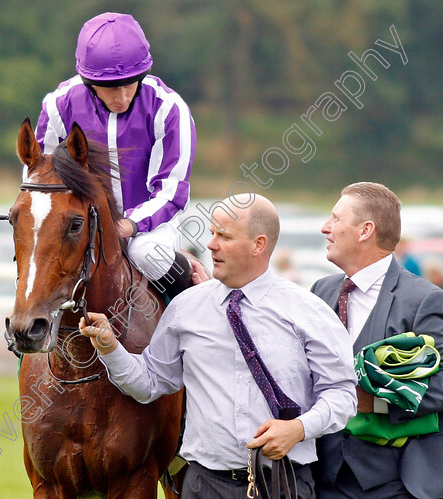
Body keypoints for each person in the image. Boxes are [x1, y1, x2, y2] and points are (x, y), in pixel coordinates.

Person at [80, 194, 357, 498]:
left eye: (223, 236)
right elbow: (149, 383)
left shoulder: (310, 311)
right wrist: (109, 348)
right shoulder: (185, 307)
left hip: (282, 482)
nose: (211, 244)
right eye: (212, 233)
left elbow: (342, 396)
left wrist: (299, 429)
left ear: (258, 245)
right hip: (203, 486)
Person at [311, 182, 443, 498]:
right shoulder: (322, 290)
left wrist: (377, 402)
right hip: (324, 476)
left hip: (397, 481)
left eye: (335, 219)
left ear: (365, 231)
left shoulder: (423, 299)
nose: (325, 228)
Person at [33, 12, 197, 300]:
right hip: (81, 221)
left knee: (145, 253)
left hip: (149, 226)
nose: (121, 98)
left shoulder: (169, 109)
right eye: (111, 88)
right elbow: (39, 176)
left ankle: (196, 297)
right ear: (88, 81)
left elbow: (171, 193)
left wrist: (127, 225)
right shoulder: (58, 105)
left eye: (130, 85)